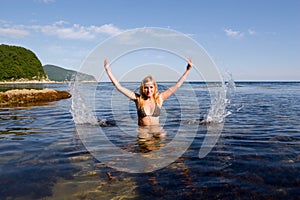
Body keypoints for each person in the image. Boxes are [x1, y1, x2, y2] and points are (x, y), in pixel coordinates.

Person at [104, 58, 193, 128]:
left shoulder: (160, 98)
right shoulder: (138, 99)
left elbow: (177, 86)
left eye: (151, 87)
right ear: (142, 88)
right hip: (143, 133)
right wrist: (108, 71)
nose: (149, 90)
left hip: (157, 131)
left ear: (155, 88)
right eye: (146, 88)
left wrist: (187, 71)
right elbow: (119, 87)